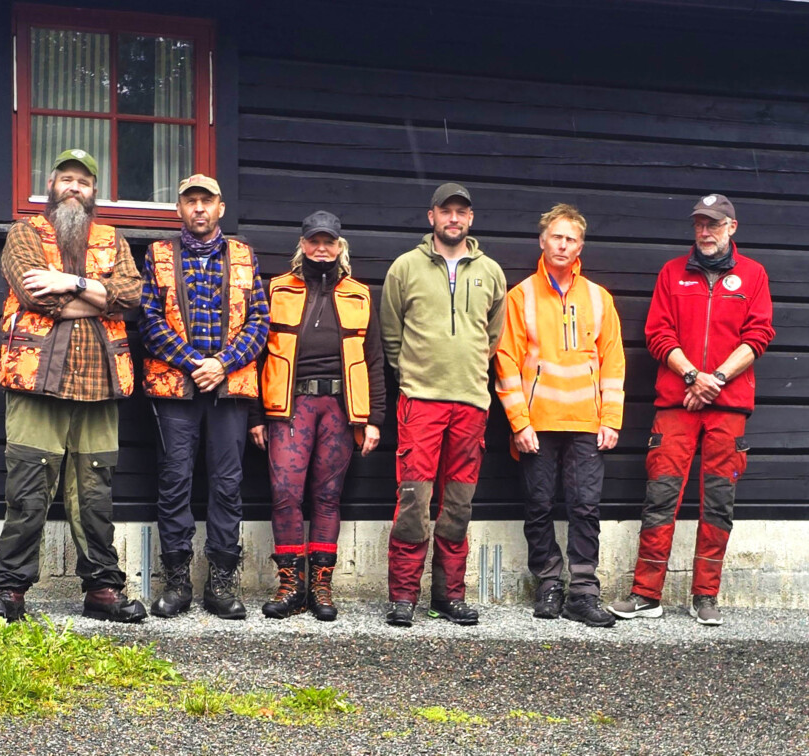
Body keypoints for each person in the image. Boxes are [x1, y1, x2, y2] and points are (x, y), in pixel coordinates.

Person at [0, 148, 146, 623]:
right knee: (28, 488)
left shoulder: (113, 239)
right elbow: (34, 294)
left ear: (94, 192)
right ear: (51, 185)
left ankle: (102, 590)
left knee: (95, 493)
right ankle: (10, 591)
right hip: (38, 379)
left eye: (84, 182)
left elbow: (132, 296)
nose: (75, 187)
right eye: (66, 179)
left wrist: (69, 281)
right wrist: (97, 297)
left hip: (101, 382)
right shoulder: (25, 233)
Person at [609, 193, 774, 626]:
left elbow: (758, 336)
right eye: (699, 223)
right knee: (660, 497)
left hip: (728, 405)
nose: (705, 231)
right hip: (677, 402)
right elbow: (658, 334)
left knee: (718, 502)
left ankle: (706, 596)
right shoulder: (671, 273)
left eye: (713, 224)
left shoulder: (754, 275)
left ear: (731, 228)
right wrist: (691, 377)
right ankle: (646, 594)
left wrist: (713, 379)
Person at [138, 174, 269, 620]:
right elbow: (149, 321)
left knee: (227, 485)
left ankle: (221, 583)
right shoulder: (158, 254)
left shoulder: (245, 255)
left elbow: (259, 321)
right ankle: (177, 583)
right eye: (190, 201)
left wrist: (223, 363)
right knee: (174, 482)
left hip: (229, 390)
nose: (199, 208)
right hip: (176, 389)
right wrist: (196, 362)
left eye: (206, 201)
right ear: (179, 209)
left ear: (220, 208)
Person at [380, 182, 507, 627]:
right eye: (446, 211)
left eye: (461, 212)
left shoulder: (491, 271)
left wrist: (466, 372)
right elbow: (391, 334)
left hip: (470, 402)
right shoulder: (405, 268)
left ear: (470, 219)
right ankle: (403, 596)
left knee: (458, 503)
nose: (454, 218)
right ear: (431, 216)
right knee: (414, 500)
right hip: (421, 401)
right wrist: (413, 376)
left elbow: (492, 336)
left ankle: (448, 596)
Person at [249, 211, 386, 621]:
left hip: (340, 408)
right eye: (314, 241)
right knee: (285, 493)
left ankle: (321, 586)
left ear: (340, 247)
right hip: (289, 406)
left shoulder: (360, 294)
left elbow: (375, 360)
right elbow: (258, 355)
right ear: (303, 245)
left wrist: (374, 418)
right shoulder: (276, 290)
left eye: (329, 242)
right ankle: (291, 586)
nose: (321, 248)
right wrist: (256, 414)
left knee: (327, 497)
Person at [494, 204, 625, 628]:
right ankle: (549, 583)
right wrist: (519, 422)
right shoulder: (521, 296)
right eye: (556, 236)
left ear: (580, 246)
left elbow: (613, 361)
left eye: (571, 239)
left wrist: (611, 418)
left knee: (585, 507)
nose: (563, 245)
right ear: (542, 240)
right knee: (538, 505)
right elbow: (506, 360)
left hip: (587, 423)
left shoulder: (599, 298)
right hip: (537, 424)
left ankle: (584, 592)